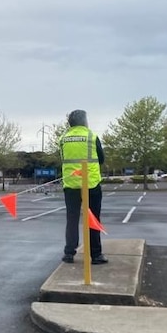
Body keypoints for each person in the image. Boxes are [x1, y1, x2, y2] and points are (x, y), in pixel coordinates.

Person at [60, 109, 107, 264]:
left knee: (71, 219)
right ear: (84, 121)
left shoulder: (63, 139)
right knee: (93, 218)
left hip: (71, 184)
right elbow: (101, 159)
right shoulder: (91, 137)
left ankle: (69, 253)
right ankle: (96, 254)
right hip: (91, 184)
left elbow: (63, 158)